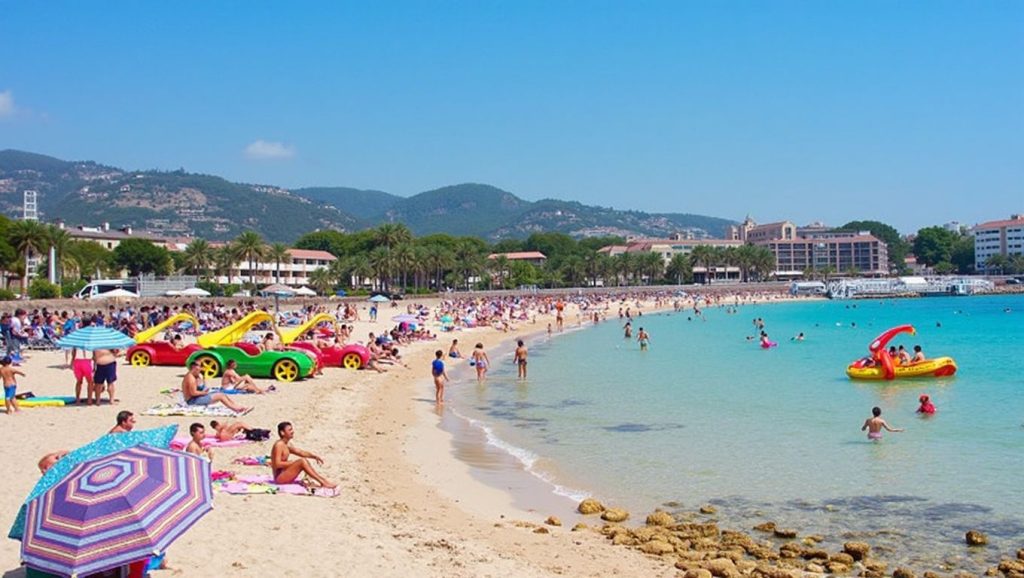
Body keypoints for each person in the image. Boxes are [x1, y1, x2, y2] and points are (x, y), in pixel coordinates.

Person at [271, 422, 336, 488]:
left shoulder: (287, 444)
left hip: (285, 473)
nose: (292, 431)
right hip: (279, 478)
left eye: (292, 429)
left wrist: (314, 456)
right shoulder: (279, 445)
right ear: (282, 433)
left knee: (302, 460)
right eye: (290, 430)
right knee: (302, 461)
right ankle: (323, 482)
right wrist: (292, 463)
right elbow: (277, 464)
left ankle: (324, 481)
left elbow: (301, 452)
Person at [182, 361, 248, 413]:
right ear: (194, 367)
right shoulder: (191, 378)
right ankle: (236, 409)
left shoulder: (194, 376)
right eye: (200, 366)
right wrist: (204, 393)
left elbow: (200, 387)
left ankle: (236, 406)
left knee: (221, 393)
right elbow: (193, 393)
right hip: (192, 401)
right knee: (220, 396)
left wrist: (201, 380)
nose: (202, 368)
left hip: (196, 397)